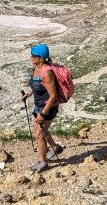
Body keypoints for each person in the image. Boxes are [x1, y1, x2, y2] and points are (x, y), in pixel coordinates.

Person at [19, 44, 63, 172]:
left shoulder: (47, 73)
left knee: (39, 134)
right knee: (41, 130)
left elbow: (53, 96)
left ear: (42, 58)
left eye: (34, 55)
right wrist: (28, 94)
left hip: (48, 107)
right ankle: (55, 148)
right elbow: (35, 84)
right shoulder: (36, 67)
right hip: (39, 106)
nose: (31, 57)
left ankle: (43, 162)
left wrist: (42, 114)